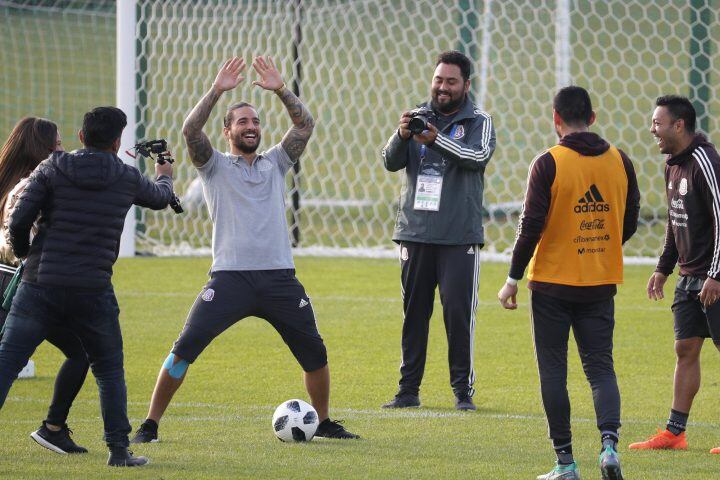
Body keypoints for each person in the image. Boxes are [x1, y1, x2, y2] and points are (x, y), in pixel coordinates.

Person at [130, 55, 359, 444]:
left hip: (278, 279)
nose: (251, 127)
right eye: (242, 122)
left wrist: (282, 90)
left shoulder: (276, 162)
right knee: (184, 348)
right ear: (227, 131)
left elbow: (306, 124)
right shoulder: (213, 166)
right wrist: (218, 90)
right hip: (229, 279)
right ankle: (150, 425)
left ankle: (323, 422)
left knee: (314, 352)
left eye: (255, 122)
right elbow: (189, 130)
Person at [0, 106, 175, 467]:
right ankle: (118, 450)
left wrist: (26, 255)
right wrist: (165, 174)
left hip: (39, 286)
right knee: (108, 369)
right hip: (92, 290)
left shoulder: (52, 167)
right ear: (117, 141)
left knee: (6, 363)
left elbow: (18, 220)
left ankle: (58, 428)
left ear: (81, 136)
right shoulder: (126, 176)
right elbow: (159, 198)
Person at [497, 86, 640, 480]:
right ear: (592, 117)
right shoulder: (620, 161)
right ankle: (609, 446)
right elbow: (630, 218)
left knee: (553, 373)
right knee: (600, 368)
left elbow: (530, 227)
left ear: (555, 118)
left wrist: (511, 279)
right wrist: (600, 248)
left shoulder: (548, 163)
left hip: (552, 286)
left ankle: (565, 463)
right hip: (600, 283)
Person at [628, 95, 720, 455]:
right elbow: (675, 218)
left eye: (657, 123)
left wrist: (715, 275)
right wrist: (663, 268)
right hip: (689, 274)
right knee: (685, 349)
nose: (652, 129)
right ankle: (675, 432)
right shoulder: (672, 163)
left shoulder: (706, 162)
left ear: (678, 125)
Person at [381, 50, 496, 411]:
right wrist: (402, 136)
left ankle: (462, 392)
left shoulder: (480, 120)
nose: (442, 87)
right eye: (438, 80)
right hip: (415, 233)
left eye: (450, 81)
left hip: (458, 235)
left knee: (458, 316)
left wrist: (435, 140)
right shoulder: (418, 114)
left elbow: (477, 158)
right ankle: (407, 391)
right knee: (413, 314)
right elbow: (389, 161)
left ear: (465, 84)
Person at [0, 117, 92, 455]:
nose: (62, 150)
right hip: (24, 284)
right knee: (9, 362)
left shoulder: (17, 182)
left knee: (79, 349)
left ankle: (54, 428)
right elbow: (19, 240)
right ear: (41, 149)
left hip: (15, 279)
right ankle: (53, 427)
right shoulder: (30, 187)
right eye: (57, 144)